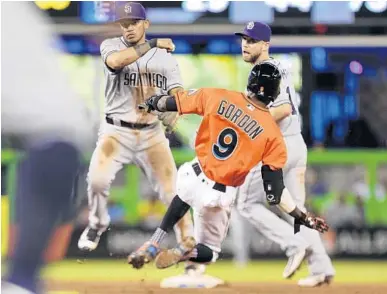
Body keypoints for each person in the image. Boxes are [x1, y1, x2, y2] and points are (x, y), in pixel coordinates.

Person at [127, 62, 329, 274]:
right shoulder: (273, 135)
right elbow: (275, 194)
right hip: (218, 194)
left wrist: (150, 103)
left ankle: (153, 242)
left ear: (251, 83)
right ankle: (185, 252)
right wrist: (303, 216)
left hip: (193, 174)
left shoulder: (219, 96)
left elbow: (174, 102)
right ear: (273, 92)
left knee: (183, 198)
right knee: (210, 251)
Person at [76, 1, 211, 285]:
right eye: (125, 24)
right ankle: (98, 224)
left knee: (174, 192)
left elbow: (177, 92)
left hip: (151, 133)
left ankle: (188, 245)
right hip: (116, 131)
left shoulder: (165, 58)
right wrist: (151, 44)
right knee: (97, 181)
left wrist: (174, 110)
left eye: (134, 23)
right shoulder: (112, 47)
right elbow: (115, 63)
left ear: (145, 24)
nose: (128, 28)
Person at [233, 21, 335, 287]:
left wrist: (248, 124)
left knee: (246, 203)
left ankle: (293, 245)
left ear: (265, 45)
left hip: (276, 147)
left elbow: (283, 109)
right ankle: (322, 269)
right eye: (244, 39)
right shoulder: (277, 67)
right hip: (295, 145)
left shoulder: (264, 69)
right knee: (296, 211)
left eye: (252, 40)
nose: (246, 44)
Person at [1, 2, 92, 293]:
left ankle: (22, 280)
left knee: (22, 279)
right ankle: (23, 279)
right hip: (59, 139)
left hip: (54, 137)